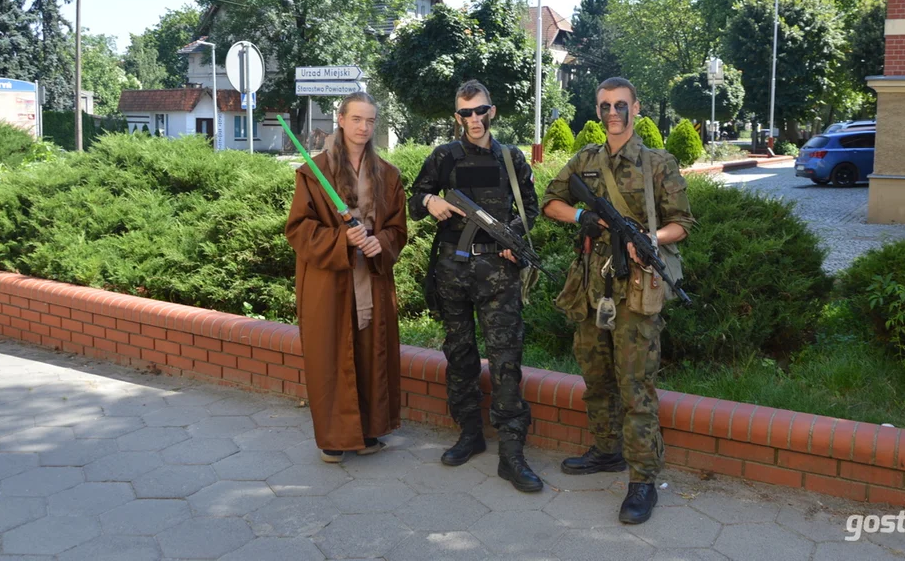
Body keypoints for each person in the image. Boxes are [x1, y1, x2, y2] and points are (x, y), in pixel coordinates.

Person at [541, 77, 694, 524]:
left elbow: (682, 223)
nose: (613, 113)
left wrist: (649, 237)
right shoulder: (585, 160)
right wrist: (582, 216)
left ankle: (643, 479)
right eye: (606, 105)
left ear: (636, 108)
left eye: (621, 105)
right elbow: (550, 201)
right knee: (596, 375)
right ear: (597, 109)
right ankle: (607, 450)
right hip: (591, 287)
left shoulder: (657, 162)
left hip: (636, 289)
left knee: (635, 385)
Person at [408, 80, 543, 493]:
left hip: (499, 274)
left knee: (506, 359)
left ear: (492, 111)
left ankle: (512, 451)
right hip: (453, 270)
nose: (473, 120)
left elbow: (531, 208)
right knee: (460, 353)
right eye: (465, 113)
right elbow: (415, 199)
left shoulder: (510, 158)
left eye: (479, 110)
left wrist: (513, 241)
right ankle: (469, 432)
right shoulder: (444, 157)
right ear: (457, 117)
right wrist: (430, 202)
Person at [284, 91, 408, 463]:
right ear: (340, 119)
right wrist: (342, 238)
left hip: (371, 278)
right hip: (329, 281)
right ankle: (335, 438)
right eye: (356, 119)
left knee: (371, 352)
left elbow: (398, 230)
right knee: (332, 354)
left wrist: (379, 244)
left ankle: (368, 431)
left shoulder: (388, 174)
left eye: (370, 120)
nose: (364, 127)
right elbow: (298, 229)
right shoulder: (314, 172)